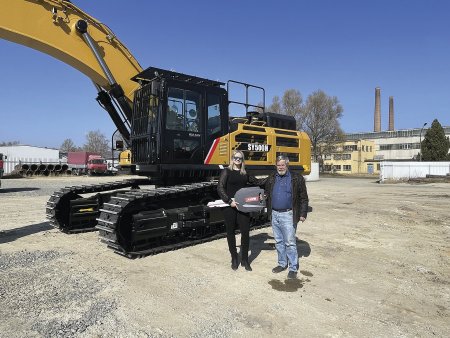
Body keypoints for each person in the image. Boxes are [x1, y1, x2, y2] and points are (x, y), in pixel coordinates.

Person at [217, 150, 263, 271]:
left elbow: (257, 182)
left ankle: (245, 260)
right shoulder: (226, 171)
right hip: (230, 206)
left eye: (240, 158)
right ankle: (234, 258)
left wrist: (272, 178)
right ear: (232, 158)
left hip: (243, 206)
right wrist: (229, 201)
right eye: (236, 158)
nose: (238, 160)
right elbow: (220, 187)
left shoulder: (245, 172)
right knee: (230, 232)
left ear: (242, 160)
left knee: (245, 231)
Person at [264, 155, 309, 279]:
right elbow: (264, 189)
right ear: (276, 166)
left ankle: (293, 268)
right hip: (275, 214)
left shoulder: (296, 178)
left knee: (289, 242)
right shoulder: (272, 178)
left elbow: (303, 198)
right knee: (278, 241)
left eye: (283, 165)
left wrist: (303, 213)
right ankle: (282, 263)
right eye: (278, 165)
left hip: (288, 214)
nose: (280, 167)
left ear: (287, 165)